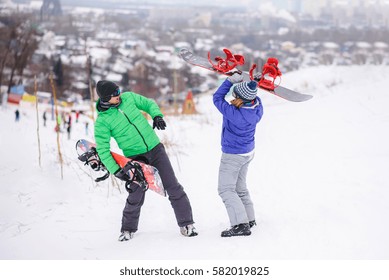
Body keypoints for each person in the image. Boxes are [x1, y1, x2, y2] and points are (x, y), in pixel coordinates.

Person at [94, 80, 197, 241]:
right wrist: (116, 170)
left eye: (119, 90)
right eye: (115, 94)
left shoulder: (128, 98)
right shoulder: (102, 121)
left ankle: (187, 224)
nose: (119, 95)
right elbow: (102, 149)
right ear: (106, 98)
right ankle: (127, 229)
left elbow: (149, 103)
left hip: (156, 149)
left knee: (173, 186)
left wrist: (156, 115)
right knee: (136, 194)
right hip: (135, 158)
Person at [213, 73, 263, 237]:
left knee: (226, 189)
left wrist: (229, 81)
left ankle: (240, 225)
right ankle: (249, 219)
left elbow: (217, 98)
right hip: (248, 152)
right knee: (239, 188)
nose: (232, 95)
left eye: (235, 93)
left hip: (233, 155)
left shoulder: (234, 113)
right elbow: (254, 95)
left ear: (240, 98)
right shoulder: (257, 108)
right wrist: (253, 84)